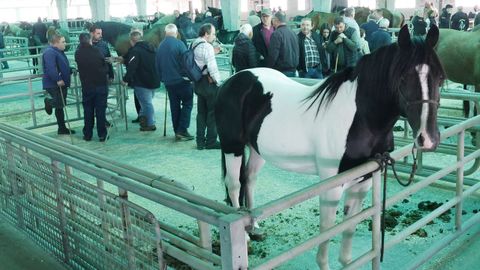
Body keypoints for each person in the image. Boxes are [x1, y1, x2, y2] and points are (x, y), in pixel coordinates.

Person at [156, 23, 194, 141]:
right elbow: (187, 63)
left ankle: (177, 129)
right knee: (187, 103)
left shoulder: (160, 46)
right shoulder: (179, 44)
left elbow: (157, 65)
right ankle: (182, 130)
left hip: (168, 82)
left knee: (174, 105)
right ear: (176, 33)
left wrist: (162, 78)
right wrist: (190, 77)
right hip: (181, 81)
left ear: (165, 33)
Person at [122, 29, 160, 132]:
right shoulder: (152, 48)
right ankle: (143, 119)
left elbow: (132, 66)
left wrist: (125, 79)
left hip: (142, 81)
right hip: (154, 80)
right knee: (146, 102)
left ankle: (151, 124)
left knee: (146, 103)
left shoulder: (135, 50)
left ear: (132, 40)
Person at [74, 33, 109, 142]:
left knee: (88, 110)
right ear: (90, 40)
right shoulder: (97, 51)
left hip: (87, 85)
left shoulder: (78, 53)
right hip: (100, 85)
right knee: (100, 111)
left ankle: (88, 134)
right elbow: (104, 65)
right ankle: (102, 134)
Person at [192, 23, 221, 150]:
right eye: (213, 34)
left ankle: (200, 141)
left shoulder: (194, 43)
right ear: (206, 34)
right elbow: (212, 68)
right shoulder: (207, 47)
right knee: (212, 113)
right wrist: (219, 82)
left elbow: (199, 61)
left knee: (201, 113)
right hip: (209, 83)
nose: (214, 36)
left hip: (198, 81)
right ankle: (211, 141)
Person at [42, 33, 75, 135]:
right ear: (56, 43)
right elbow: (51, 68)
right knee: (59, 103)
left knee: (60, 106)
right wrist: (58, 79)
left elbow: (62, 66)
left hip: (61, 83)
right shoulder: (50, 52)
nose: (65, 43)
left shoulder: (59, 51)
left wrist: (70, 69)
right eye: (63, 42)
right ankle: (49, 102)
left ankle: (62, 128)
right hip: (54, 84)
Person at [89, 24, 114, 128]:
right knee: (91, 103)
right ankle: (91, 123)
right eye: (98, 33)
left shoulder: (103, 45)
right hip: (90, 79)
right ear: (92, 33)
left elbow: (109, 60)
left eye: (101, 33)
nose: (100, 36)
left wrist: (111, 74)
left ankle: (103, 120)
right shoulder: (86, 46)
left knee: (102, 101)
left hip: (103, 78)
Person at [268, 11, 299, 77]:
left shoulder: (276, 34)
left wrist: (269, 69)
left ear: (276, 20)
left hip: (282, 72)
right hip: (294, 70)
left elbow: (273, 56)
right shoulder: (293, 32)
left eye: (272, 19)